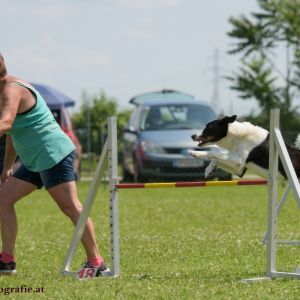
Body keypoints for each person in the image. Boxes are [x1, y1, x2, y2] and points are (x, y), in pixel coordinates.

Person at [0, 52, 106, 276]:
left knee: (70, 207)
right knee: (3, 200)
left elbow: (6, 122)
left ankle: (96, 261)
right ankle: (7, 260)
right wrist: (7, 166)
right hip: (34, 159)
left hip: (53, 154)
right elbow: (12, 131)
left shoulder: (11, 89)